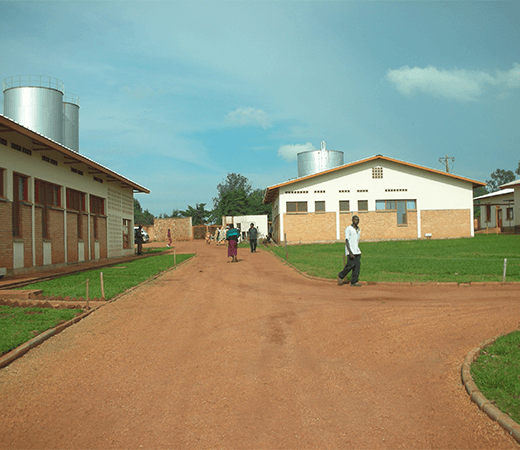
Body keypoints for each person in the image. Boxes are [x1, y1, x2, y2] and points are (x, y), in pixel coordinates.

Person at [337, 215, 362, 287]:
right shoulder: (348, 229)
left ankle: (354, 282)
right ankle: (341, 275)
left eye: (358, 220)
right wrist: (350, 252)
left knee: (357, 267)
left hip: (357, 251)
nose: (356, 221)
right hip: (350, 251)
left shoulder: (358, 229)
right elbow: (347, 241)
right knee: (350, 265)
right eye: (355, 220)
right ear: (352, 220)